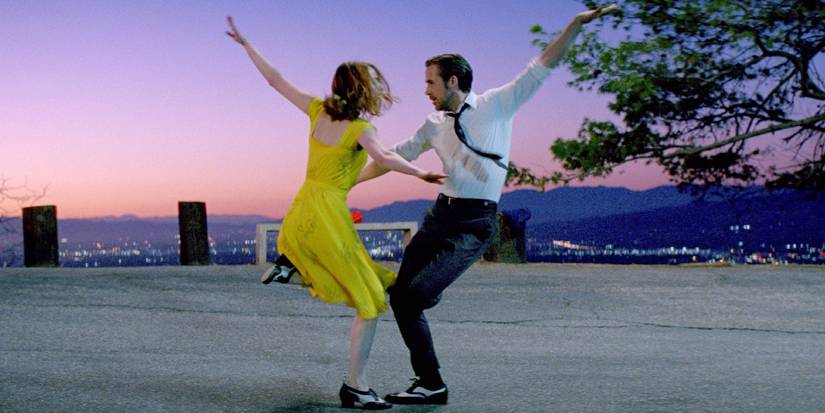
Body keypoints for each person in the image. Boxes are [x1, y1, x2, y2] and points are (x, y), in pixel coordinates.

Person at [356, 5, 617, 405]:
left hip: (474, 222)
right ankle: (430, 383)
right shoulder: (433, 124)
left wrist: (575, 25)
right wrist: (344, 183)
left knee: (414, 297)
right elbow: (395, 155)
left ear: (453, 81)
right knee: (400, 298)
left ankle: (430, 337)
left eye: (430, 83)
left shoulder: (497, 105)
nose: (425, 90)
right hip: (439, 215)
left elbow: (542, 65)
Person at [226, 16, 446, 410]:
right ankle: (355, 388)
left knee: (369, 290)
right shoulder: (361, 128)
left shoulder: (316, 111)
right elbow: (384, 157)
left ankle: (291, 267)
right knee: (370, 299)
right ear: (363, 90)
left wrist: (247, 45)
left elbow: (275, 79)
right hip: (328, 216)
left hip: (302, 210)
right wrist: (421, 171)